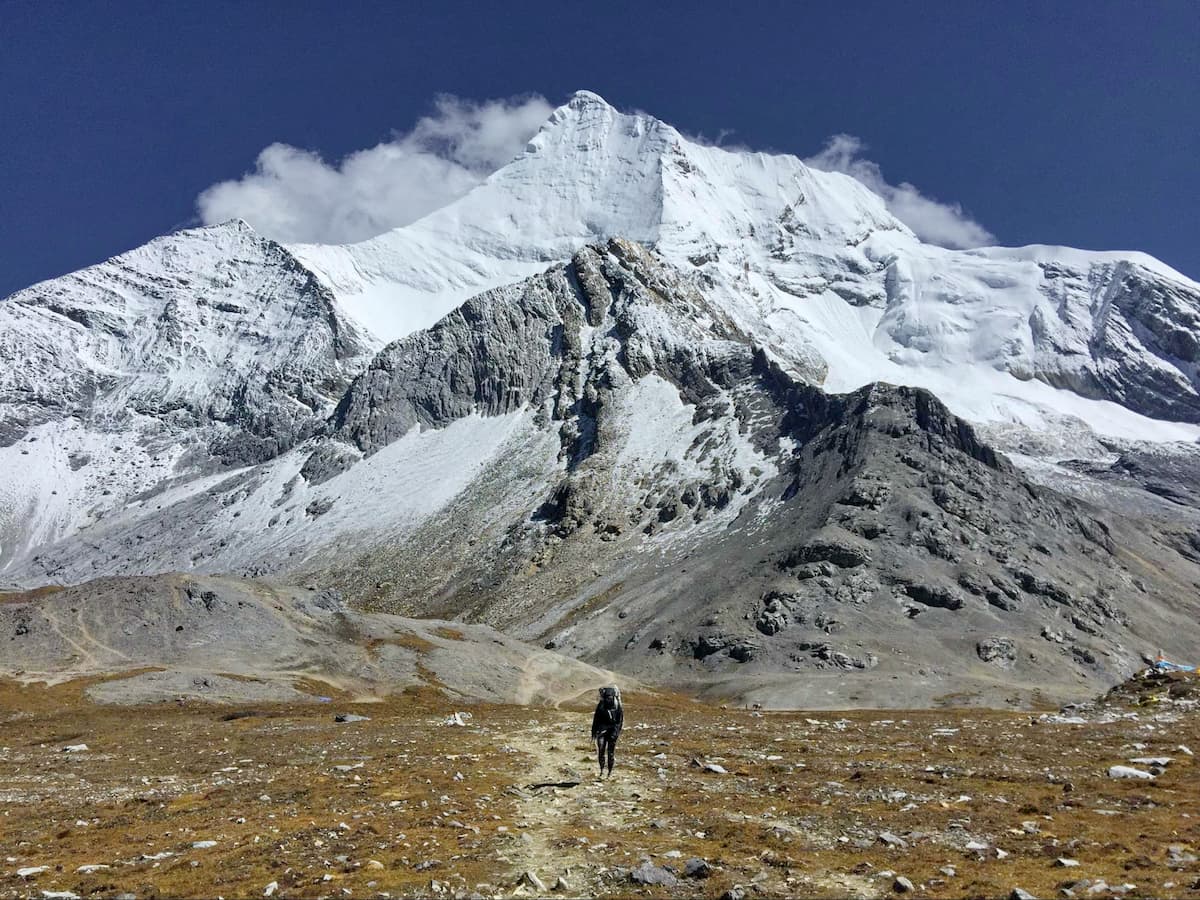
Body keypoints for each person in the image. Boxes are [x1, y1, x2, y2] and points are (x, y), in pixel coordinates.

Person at [590, 684, 623, 778]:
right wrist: (594, 732)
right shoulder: (601, 706)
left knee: (610, 752)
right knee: (601, 751)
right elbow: (596, 719)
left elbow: (619, 722)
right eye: (607, 697)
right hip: (602, 731)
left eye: (610, 697)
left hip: (611, 731)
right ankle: (602, 770)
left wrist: (615, 732)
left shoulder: (617, 707)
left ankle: (609, 772)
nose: (608, 699)